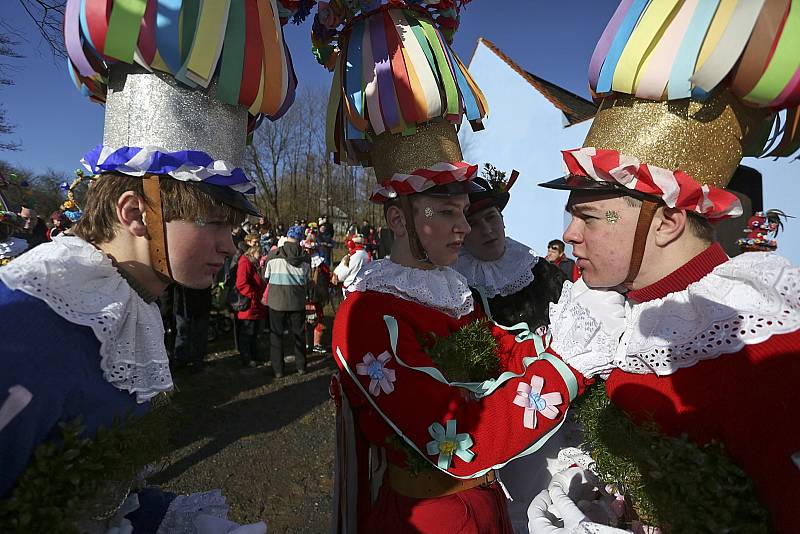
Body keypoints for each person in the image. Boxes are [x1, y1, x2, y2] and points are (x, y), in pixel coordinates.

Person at [0, 0, 310, 528]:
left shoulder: (129, 306)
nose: (232, 246)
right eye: (214, 223)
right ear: (136, 212)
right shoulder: (25, 324)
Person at [537, 3, 800, 531]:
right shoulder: (627, 309)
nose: (569, 234)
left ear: (667, 222)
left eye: (589, 216)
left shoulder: (764, 348)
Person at [453, 166, 572, 531]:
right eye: (476, 224)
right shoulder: (457, 288)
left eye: (492, 218)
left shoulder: (540, 271)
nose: (488, 230)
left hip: (559, 400)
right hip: (502, 414)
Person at [262, 224, 310, 377]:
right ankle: (301, 366)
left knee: (276, 335)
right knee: (299, 334)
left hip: (276, 302)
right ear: (300, 239)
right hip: (297, 302)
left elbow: (265, 277)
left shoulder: (273, 255)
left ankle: (278, 370)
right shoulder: (305, 258)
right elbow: (306, 280)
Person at [236, 243, 268, 368]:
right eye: (259, 253)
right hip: (249, 305)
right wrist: (254, 296)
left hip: (254, 305)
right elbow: (241, 284)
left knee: (254, 332)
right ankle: (246, 357)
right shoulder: (245, 263)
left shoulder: (251, 264)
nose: (260, 256)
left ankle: (254, 354)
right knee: (247, 333)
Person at [172, 285, 212, 371]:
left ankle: (195, 361)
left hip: (199, 301)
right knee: (184, 334)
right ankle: (182, 360)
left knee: (197, 334)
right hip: (185, 302)